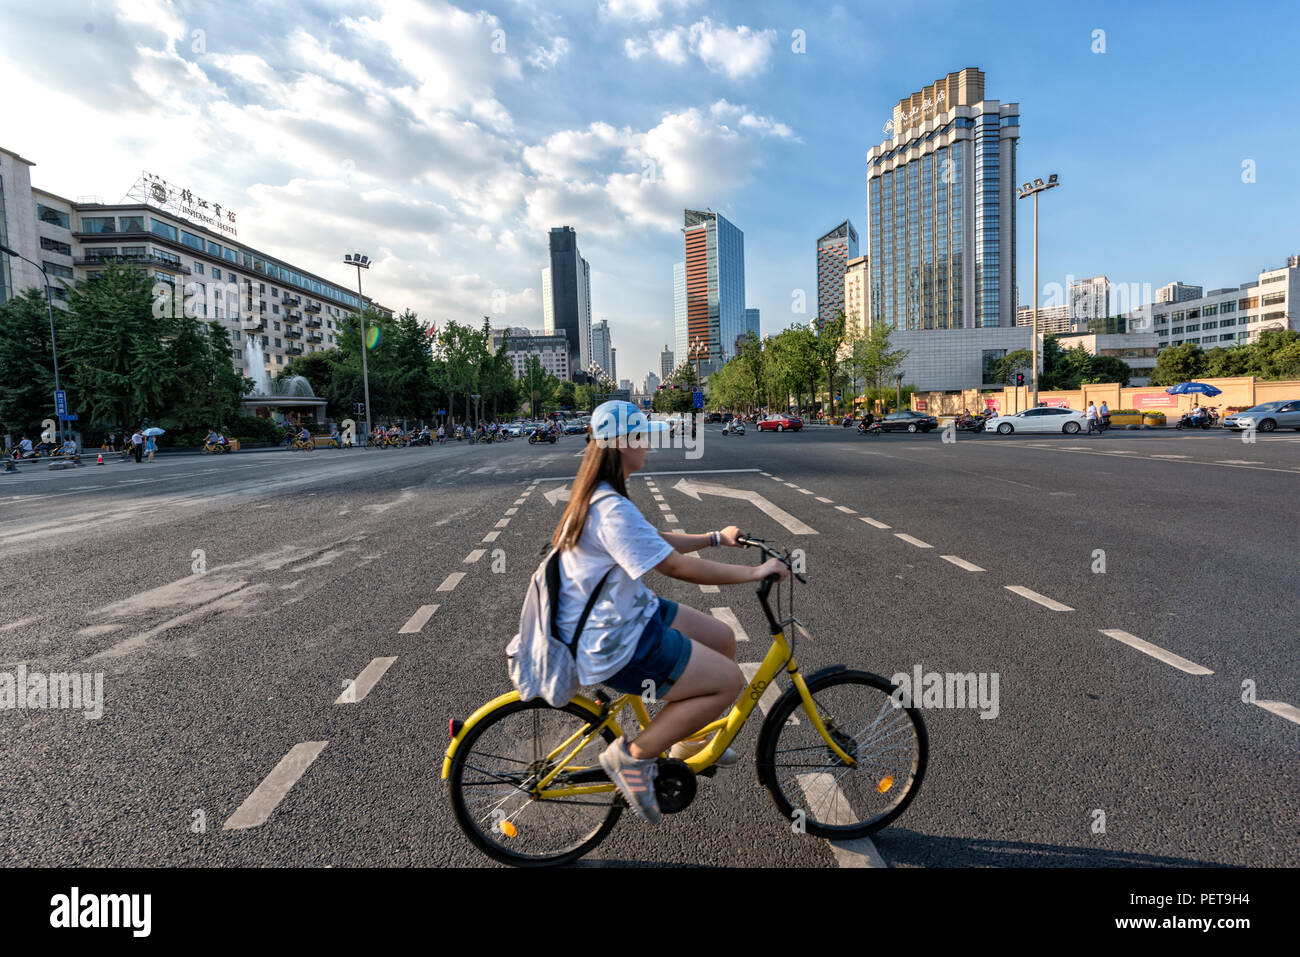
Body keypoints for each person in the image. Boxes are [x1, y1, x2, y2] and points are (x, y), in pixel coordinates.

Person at [550, 400, 789, 824]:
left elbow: (654, 540)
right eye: (642, 436)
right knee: (728, 682)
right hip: (616, 638)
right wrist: (755, 571)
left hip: (627, 611)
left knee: (722, 638)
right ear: (621, 443)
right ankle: (631, 756)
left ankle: (686, 744)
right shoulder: (610, 507)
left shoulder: (605, 494)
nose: (649, 444)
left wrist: (715, 537)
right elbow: (674, 567)